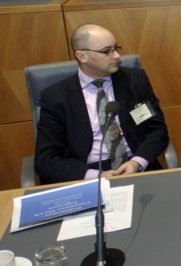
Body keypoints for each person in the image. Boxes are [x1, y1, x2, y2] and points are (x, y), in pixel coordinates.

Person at [35, 24, 169, 184]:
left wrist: (137, 162)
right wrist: (95, 176)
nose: (117, 55)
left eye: (115, 48)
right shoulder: (56, 97)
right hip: (87, 174)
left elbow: (157, 130)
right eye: (107, 51)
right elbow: (46, 159)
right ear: (82, 56)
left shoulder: (134, 81)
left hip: (135, 165)